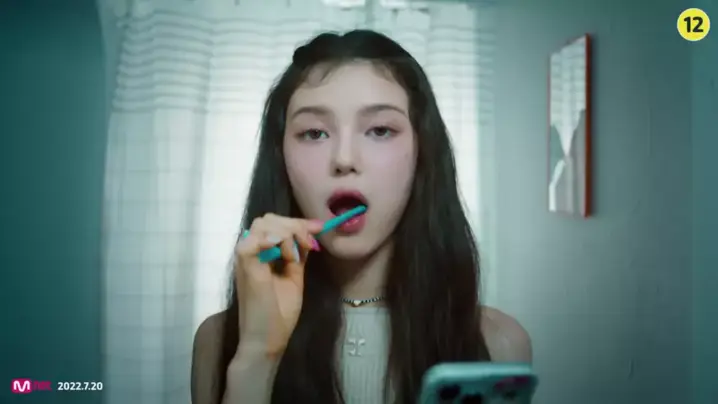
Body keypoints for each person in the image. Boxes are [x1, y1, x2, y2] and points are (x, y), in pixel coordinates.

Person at [191, 29, 532, 404]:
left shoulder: (498, 344)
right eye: (314, 133)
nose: (344, 159)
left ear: (422, 154)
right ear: (281, 157)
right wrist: (258, 356)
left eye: (380, 130)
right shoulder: (220, 343)